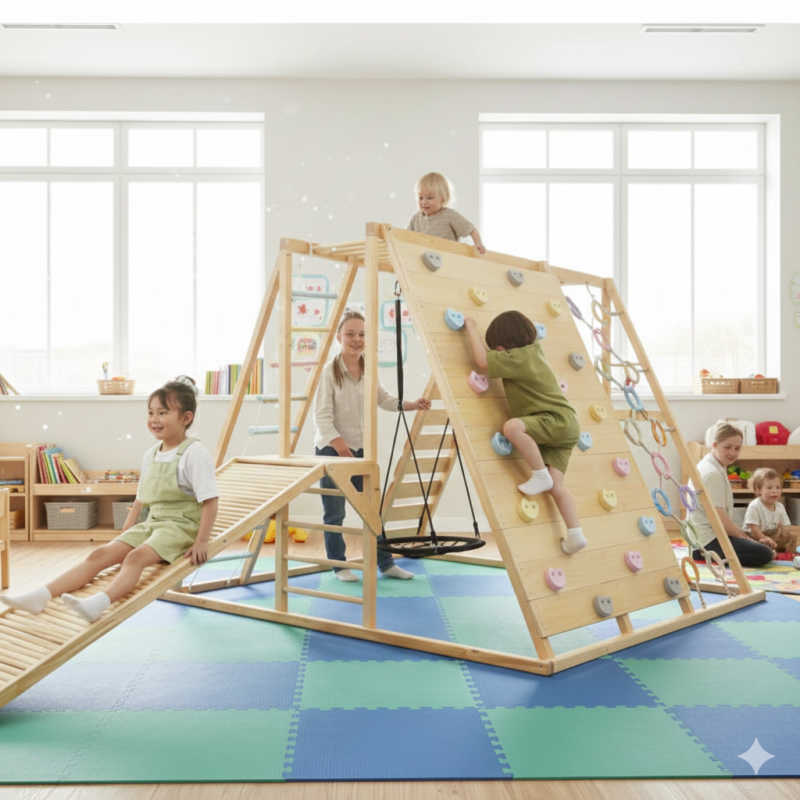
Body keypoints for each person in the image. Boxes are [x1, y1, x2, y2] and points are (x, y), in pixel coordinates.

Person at [1, 376, 219, 622]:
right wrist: (125, 534)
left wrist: (201, 541)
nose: (154, 419)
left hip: (180, 527)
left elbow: (210, 501)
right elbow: (140, 500)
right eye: (151, 412)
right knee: (99, 554)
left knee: (134, 558)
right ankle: (41, 595)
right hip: (153, 524)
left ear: (186, 418)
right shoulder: (151, 455)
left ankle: (98, 604)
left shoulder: (194, 453)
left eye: (163, 413)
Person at [314, 310, 430, 581]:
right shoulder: (329, 372)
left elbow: (384, 399)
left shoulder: (368, 368)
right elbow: (322, 416)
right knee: (335, 513)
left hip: (359, 449)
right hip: (332, 449)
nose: (357, 339)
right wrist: (341, 448)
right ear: (339, 336)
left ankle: (385, 563)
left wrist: (411, 405)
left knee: (371, 510)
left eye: (362, 334)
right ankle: (339, 565)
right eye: (351, 334)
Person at [462, 310, 585, 555]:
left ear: (506, 345)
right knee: (557, 486)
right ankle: (575, 534)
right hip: (567, 426)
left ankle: (539, 474)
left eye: (496, 347)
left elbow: (482, 362)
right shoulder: (535, 352)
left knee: (512, 427)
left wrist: (471, 327)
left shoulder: (519, 357)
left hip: (554, 420)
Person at [688, 422, 774, 567]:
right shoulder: (712, 474)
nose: (733, 453)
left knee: (758, 541)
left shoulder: (711, 465)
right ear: (714, 445)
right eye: (727, 447)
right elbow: (720, 520)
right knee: (765, 553)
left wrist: (748, 537)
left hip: (706, 537)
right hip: (706, 544)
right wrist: (748, 540)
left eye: (737, 448)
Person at [408, 171, 486, 254]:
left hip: (448, 257)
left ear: (443, 198)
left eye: (429, 198)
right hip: (423, 257)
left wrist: (478, 243)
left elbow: (471, 229)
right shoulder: (416, 218)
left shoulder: (449, 215)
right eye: (420, 198)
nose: (424, 202)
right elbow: (406, 236)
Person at [744, 467, 798, 554]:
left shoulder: (779, 506)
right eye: (769, 488)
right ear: (758, 490)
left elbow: (786, 525)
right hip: (756, 536)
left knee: (792, 537)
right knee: (759, 547)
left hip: (773, 534)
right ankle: (770, 552)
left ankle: (787, 555)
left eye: (778, 488)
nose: (774, 491)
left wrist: (784, 533)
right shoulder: (754, 506)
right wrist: (764, 538)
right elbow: (753, 528)